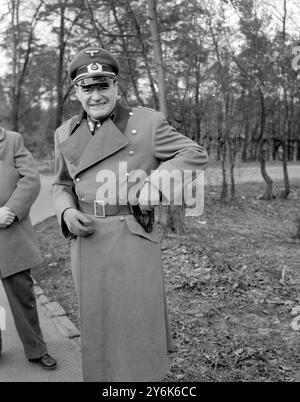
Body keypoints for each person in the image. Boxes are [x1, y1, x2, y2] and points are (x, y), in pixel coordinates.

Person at [51, 46, 208, 382]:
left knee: (137, 328)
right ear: (76, 93)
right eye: (87, 88)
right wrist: (65, 211)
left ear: (117, 89)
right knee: (98, 326)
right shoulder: (65, 133)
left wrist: (156, 185)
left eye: (103, 86)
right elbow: (60, 185)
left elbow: (194, 153)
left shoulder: (147, 123)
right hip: (87, 240)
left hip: (132, 238)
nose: (96, 96)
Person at [0, 126, 57, 370]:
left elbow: (31, 179)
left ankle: (36, 349)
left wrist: (11, 210)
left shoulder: (12, 140)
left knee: (23, 296)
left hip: (11, 233)